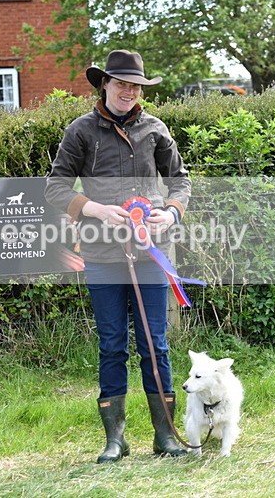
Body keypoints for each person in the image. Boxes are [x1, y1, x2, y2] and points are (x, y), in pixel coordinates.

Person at [45, 50, 192, 462]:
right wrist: (92, 208)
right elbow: (55, 188)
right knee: (111, 345)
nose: (129, 91)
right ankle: (115, 439)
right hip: (101, 254)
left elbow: (180, 182)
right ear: (104, 84)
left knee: (154, 343)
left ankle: (164, 434)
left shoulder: (156, 130)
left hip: (150, 252)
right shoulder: (80, 131)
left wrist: (171, 211)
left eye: (135, 85)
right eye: (121, 83)